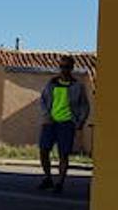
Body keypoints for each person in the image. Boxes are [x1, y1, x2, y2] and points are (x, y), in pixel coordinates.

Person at [38, 55, 90, 194]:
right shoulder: (52, 84)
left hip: (67, 123)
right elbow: (43, 100)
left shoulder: (78, 86)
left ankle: (60, 182)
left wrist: (79, 121)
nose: (63, 70)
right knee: (43, 150)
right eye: (61, 66)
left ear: (72, 68)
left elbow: (84, 106)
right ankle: (48, 177)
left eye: (66, 67)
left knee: (64, 153)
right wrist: (46, 115)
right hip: (50, 122)